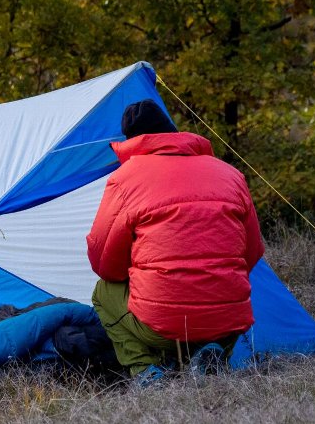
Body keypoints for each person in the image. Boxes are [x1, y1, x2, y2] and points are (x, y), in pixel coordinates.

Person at [85, 99, 266, 388]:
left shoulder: (125, 179)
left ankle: (146, 371)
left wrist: (141, 272)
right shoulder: (230, 174)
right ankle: (209, 353)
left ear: (132, 141)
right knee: (214, 307)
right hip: (226, 322)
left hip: (160, 325)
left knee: (104, 292)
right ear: (174, 132)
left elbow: (105, 264)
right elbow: (252, 252)